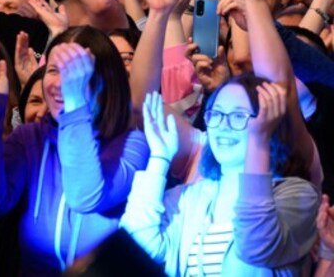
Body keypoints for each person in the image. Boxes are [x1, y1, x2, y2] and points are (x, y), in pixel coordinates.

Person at [0, 30, 148, 275]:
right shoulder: (29, 138)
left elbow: (84, 197)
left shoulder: (133, 145)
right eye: (53, 70)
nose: (62, 81)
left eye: (76, 70)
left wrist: (75, 105)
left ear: (107, 78)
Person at [121, 81, 317, 276]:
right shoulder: (189, 197)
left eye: (239, 116)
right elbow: (136, 246)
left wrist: (258, 142)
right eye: (216, 114)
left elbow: (255, 247)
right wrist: (160, 157)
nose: (223, 126)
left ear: (269, 125)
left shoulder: (298, 194)